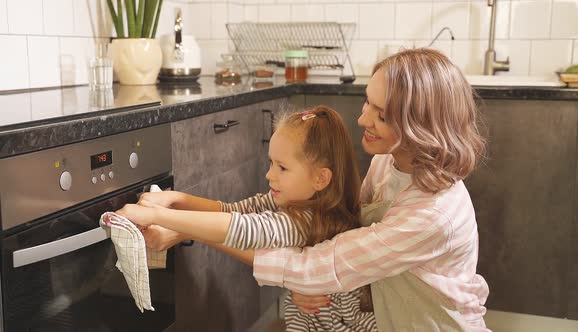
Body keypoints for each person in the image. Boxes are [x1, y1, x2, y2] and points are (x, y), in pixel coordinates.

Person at [134, 48, 491, 331]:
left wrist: (173, 223)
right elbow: (344, 238)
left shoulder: (433, 215)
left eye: (381, 115)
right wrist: (179, 202)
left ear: (420, 127)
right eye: (368, 102)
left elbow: (314, 263)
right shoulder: (391, 161)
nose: (363, 118)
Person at [117, 106, 379, 332]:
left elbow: (243, 229)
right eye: (271, 163)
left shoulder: (304, 220)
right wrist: (177, 199)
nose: (269, 175)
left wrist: (156, 215)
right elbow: (234, 211)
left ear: (320, 178)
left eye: (282, 167)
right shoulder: (293, 200)